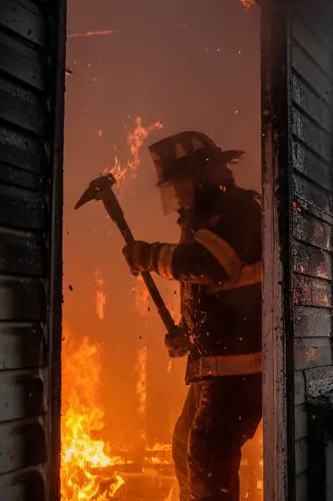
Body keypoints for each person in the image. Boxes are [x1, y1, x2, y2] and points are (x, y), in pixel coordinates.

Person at [122, 131, 262, 501]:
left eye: (179, 186)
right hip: (213, 367)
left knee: (208, 456)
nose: (177, 198)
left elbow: (210, 264)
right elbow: (213, 293)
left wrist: (148, 256)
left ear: (200, 178)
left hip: (240, 372)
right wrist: (188, 332)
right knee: (187, 444)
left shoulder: (238, 210)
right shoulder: (208, 222)